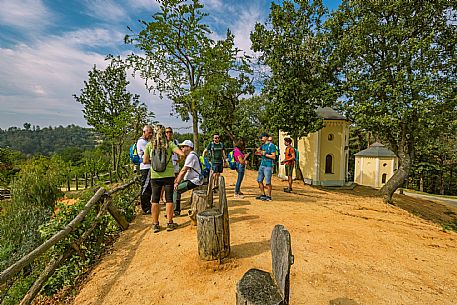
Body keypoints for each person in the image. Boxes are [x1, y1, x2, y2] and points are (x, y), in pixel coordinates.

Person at [143, 124, 185, 233]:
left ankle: (155, 224)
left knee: (155, 199)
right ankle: (170, 223)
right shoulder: (169, 144)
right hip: (168, 175)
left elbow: (144, 161)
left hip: (155, 176)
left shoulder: (149, 145)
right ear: (164, 133)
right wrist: (177, 161)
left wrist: (153, 163)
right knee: (169, 198)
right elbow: (182, 154)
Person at [173, 140, 203, 215]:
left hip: (194, 181)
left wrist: (177, 182)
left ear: (189, 147)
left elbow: (183, 170)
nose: (181, 148)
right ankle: (175, 209)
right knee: (176, 188)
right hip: (193, 179)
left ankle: (175, 211)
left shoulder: (191, 156)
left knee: (176, 190)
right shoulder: (192, 155)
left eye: (183, 147)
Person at [160, 127, 181, 204]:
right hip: (166, 165)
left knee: (175, 181)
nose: (169, 133)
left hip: (175, 164)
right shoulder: (163, 143)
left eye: (170, 132)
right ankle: (161, 198)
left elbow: (179, 152)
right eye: (167, 132)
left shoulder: (175, 141)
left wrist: (179, 161)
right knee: (164, 183)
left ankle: (172, 197)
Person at [255, 132, 276, 201]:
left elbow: (273, 157)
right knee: (259, 180)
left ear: (266, 137)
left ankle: (269, 196)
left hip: (268, 165)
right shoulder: (263, 146)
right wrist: (259, 152)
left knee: (268, 182)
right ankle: (263, 194)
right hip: (262, 164)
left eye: (262, 137)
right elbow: (259, 152)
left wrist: (265, 154)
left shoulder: (271, 145)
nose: (261, 138)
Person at [137, 125, 153, 214]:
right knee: (145, 188)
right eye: (149, 132)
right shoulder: (142, 142)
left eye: (151, 132)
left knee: (148, 188)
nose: (150, 134)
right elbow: (150, 154)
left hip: (148, 167)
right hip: (146, 168)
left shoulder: (146, 141)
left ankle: (147, 205)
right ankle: (145, 208)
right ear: (144, 132)